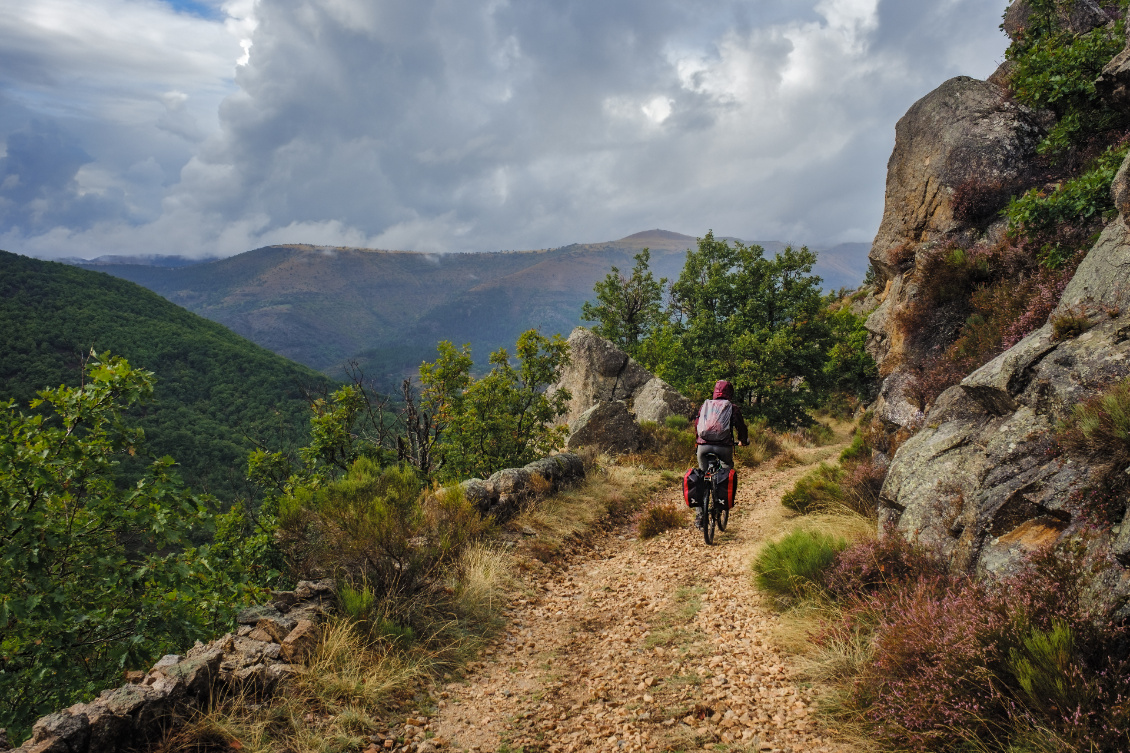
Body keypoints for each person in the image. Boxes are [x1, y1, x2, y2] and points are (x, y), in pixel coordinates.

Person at [690, 380, 748, 528]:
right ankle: (721, 503)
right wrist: (742, 440)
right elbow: (740, 426)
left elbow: (697, 424)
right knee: (727, 469)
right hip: (724, 448)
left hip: (703, 446)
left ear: (715, 391)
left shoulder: (705, 405)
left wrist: (699, 440)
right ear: (730, 393)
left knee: (702, 477)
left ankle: (700, 517)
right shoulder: (732, 407)